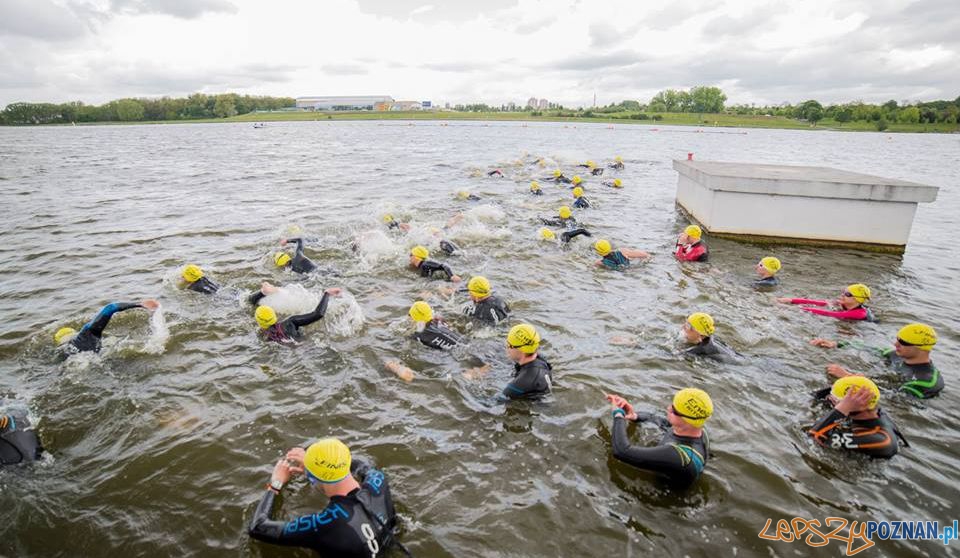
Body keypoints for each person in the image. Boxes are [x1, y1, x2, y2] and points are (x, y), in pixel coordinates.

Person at [248, 438, 401, 557]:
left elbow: (258, 528)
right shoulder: (378, 480)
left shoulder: (324, 524)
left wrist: (276, 483)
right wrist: (319, 465)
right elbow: (362, 465)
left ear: (313, 478)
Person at [604, 388, 712, 488]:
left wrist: (618, 414)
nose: (668, 408)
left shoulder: (678, 456)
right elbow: (659, 420)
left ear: (688, 420)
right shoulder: (698, 430)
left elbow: (621, 451)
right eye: (672, 404)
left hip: (665, 500)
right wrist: (634, 416)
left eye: (674, 410)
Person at [810, 323, 943, 399]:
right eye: (897, 339)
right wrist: (836, 344)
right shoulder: (896, 355)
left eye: (902, 342)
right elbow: (870, 348)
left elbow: (895, 399)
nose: (895, 343)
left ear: (921, 348)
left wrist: (849, 377)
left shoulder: (926, 381)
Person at [808, 376, 900, 459]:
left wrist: (842, 408)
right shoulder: (873, 409)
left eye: (835, 401)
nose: (831, 402)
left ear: (853, 404)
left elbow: (814, 438)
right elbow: (816, 395)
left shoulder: (883, 440)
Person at [54, 299, 160, 353]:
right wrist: (140, 304)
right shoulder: (86, 334)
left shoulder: (62, 351)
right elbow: (110, 308)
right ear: (73, 332)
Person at [250, 283, 342, 344]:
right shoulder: (290, 323)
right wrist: (327, 294)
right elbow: (318, 314)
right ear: (274, 315)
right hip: (308, 348)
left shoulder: (263, 336)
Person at [503, 324, 553, 399]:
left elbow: (493, 402)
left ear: (522, 350)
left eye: (509, 345)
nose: (506, 348)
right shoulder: (541, 360)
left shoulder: (520, 383)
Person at [777, 283, 874, 321]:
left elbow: (828, 313)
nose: (842, 295)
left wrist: (796, 309)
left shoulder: (859, 314)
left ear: (857, 299)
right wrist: (791, 300)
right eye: (843, 292)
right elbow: (819, 302)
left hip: (861, 327)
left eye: (847, 294)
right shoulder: (844, 303)